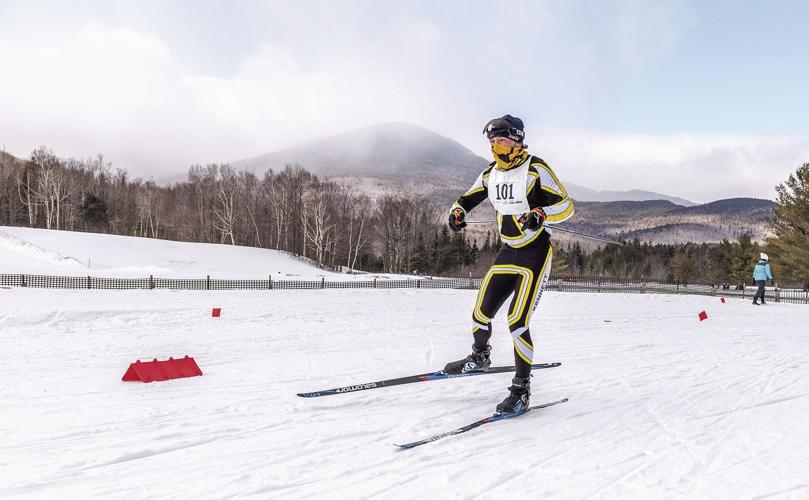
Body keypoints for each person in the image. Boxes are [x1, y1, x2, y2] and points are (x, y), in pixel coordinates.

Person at [444, 114, 574, 414]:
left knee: (517, 322)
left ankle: (521, 389)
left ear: (517, 141)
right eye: (492, 142)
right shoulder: (491, 173)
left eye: (501, 141)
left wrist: (541, 213)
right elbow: (466, 199)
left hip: (535, 253)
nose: (496, 147)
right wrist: (457, 213)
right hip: (509, 251)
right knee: (480, 313)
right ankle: (479, 356)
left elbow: (566, 205)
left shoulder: (535, 169)